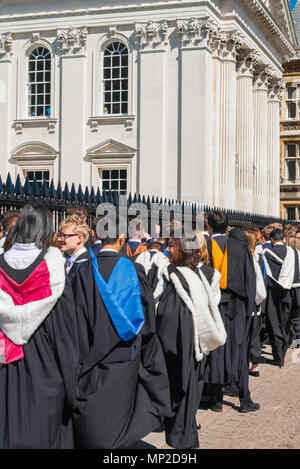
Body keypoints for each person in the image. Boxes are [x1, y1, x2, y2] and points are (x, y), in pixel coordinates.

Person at [72, 213, 172, 449]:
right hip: (124, 353)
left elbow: (72, 315)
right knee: (119, 409)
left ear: (94, 235)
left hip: (89, 351)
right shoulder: (133, 270)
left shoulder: (82, 271)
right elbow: (146, 318)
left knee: (94, 408)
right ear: (121, 237)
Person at [0, 202, 79, 448]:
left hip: (6, 358)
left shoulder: (1, 263)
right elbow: (65, 332)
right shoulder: (53, 265)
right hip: (45, 359)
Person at [156, 227, 226, 449]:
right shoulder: (192, 273)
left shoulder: (179, 276)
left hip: (183, 348)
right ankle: (188, 443)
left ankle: (184, 446)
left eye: (171, 245)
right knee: (185, 403)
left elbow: (169, 313)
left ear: (184, 249)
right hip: (189, 347)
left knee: (184, 402)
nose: (167, 250)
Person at [204, 212, 260, 413]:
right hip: (237, 306)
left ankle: (216, 400)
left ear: (208, 226)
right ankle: (244, 399)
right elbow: (249, 278)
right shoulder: (239, 246)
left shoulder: (205, 246)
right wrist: (249, 308)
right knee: (239, 350)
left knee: (216, 350)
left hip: (213, 305)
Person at [262, 229, 297, 367]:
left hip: (272, 293)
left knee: (274, 323)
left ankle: (278, 356)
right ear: (283, 238)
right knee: (286, 322)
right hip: (289, 291)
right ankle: (283, 348)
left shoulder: (266, 253)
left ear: (271, 239)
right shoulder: (293, 252)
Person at [57, 215, 90, 281]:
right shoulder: (73, 261)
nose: (59, 239)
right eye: (60, 235)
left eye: (65, 236)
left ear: (79, 238)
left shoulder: (86, 265)